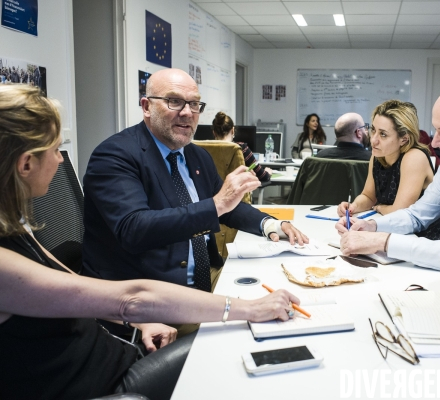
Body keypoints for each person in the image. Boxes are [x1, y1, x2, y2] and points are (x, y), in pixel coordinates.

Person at [0, 84, 300, 399]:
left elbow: (74, 287)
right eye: (56, 149)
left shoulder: (15, 228)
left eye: (194, 104)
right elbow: (134, 290)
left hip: (118, 342)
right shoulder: (115, 155)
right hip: (103, 379)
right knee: (234, 356)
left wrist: (135, 323)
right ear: (24, 165)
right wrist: (249, 308)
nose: (61, 160)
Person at [82, 68, 308, 293]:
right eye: (174, 101)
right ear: (146, 107)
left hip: (208, 279)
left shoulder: (195, 155)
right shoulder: (115, 155)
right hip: (149, 293)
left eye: (194, 104)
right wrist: (217, 204)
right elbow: (134, 229)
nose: (187, 112)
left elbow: (228, 208)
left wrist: (273, 225)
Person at [335, 81, 440, 271]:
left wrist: (384, 241)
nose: (434, 143)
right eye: (436, 131)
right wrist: (371, 225)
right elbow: (417, 215)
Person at [336, 100, 434, 217]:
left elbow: (400, 212)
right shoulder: (378, 156)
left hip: (424, 233)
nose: (373, 140)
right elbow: (368, 196)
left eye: (383, 134)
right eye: (373, 130)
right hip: (396, 228)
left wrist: (379, 207)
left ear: (404, 139)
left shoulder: (414, 158)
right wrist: (353, 206)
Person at [211, 111, 272, 182]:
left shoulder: (205, 150)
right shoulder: (241, 148)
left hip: (214, 192)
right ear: (233, 130)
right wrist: (267, 173)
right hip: (236, 191)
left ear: (214, 133)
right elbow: (263, 176)